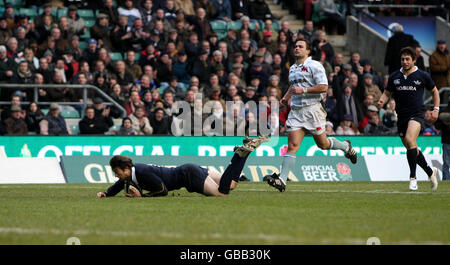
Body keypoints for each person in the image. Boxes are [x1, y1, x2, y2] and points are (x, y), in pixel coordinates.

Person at [264, 39, 357, 192]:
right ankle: (282, 179)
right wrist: (286, 99)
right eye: (295, 46)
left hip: (313, 110)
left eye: (301, 46)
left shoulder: (315, 65)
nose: (297, 49)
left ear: (308, 51)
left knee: (323, 144)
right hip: (296, 112)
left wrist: (304, 91)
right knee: (292, 146)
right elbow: (293, 87)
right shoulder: (293, 68)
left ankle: (345, 146)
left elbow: (323, 87)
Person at [96, 137, 270, 198]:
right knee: (231, 184)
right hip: (189, 169)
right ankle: (242, 154)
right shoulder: (133, 172)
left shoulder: (142, 173)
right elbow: (119, 184)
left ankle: (238, 155)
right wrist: (107, 193)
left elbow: (162, 191)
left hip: (189, 176)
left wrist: (142, 197)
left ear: (126, 168)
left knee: (222, 193)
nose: (116, 175)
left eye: (117, 172)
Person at [377, 47, 440, 191]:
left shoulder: (422, 76)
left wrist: (436, 109)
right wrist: (381, 101)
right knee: (412, 149)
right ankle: (431, 172)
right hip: (402, 117)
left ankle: (413, 178)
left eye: (407, 59)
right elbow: (387, 93)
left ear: (414, 60)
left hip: (417, 115)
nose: (404, 62)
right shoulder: (394, 76)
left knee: (410, 139)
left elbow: (435, 92)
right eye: (402, 59)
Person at [435, 97, 450, 180]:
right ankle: (446, 180)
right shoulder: (443, 111)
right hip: (447, 140)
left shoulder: (443, 112)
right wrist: (445, 124)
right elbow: (437, 125)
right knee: (446, 163)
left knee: (446, 163)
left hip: (446, 140)